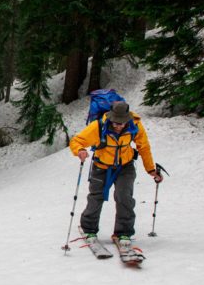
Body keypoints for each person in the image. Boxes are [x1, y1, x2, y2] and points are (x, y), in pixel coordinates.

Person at [68, 101, 162, 248]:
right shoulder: (99, 126)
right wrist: (80, 150)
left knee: (124, 196)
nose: (118, 126)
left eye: (122, 123)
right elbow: (77, 140)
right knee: (96, 196)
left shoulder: (135, 126)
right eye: (116, 122)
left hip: (125, 166)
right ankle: (89, 229)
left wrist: (150, 169)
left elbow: (144, 147)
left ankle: (123, 232)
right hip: (101, 166)